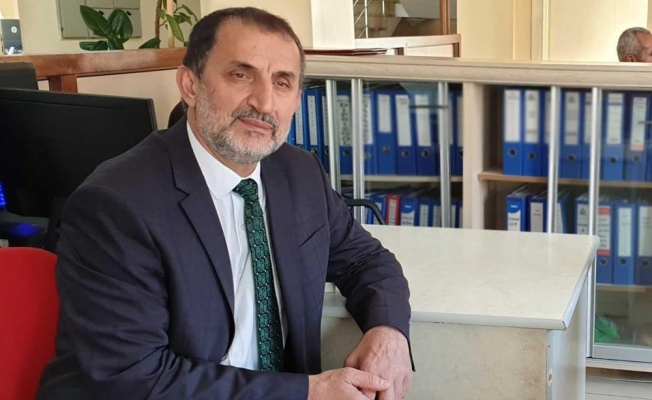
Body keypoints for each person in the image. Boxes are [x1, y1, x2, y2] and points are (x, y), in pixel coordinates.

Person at [37, 6, 413, 400]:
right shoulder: (116, 205)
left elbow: (365, 260)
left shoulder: (298, 173)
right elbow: (132, 379)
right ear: (190, 85)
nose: (264, 103)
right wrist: (307, 392)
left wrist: (388, 331)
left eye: (282, 83)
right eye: (241, 75)